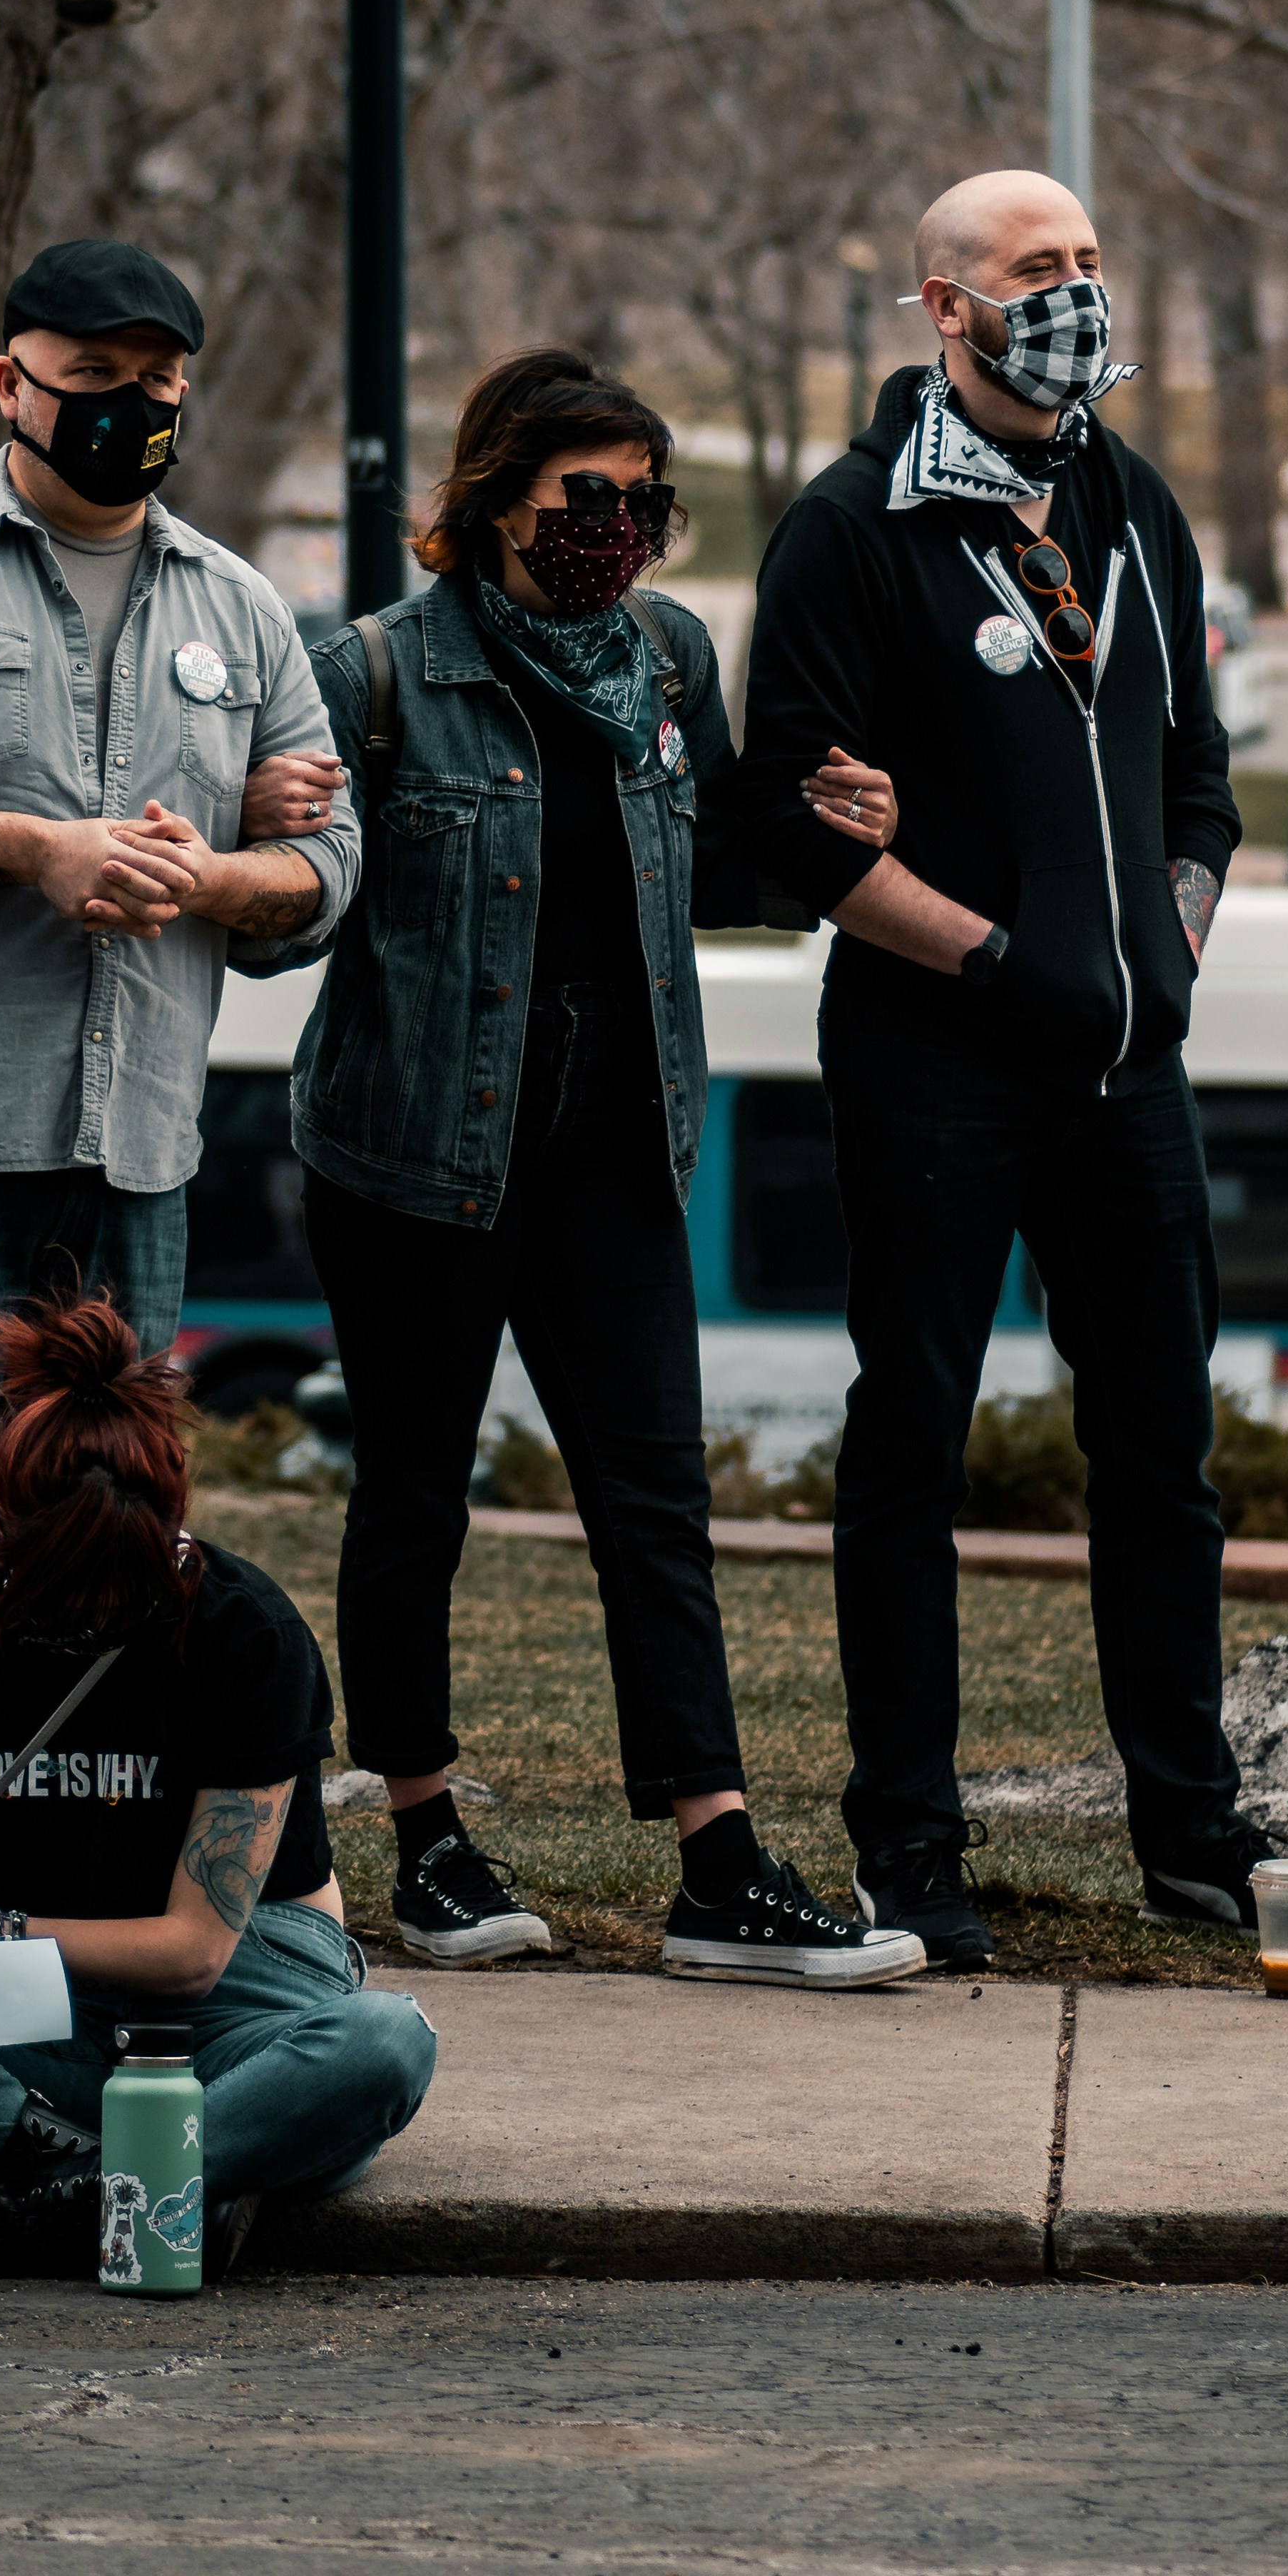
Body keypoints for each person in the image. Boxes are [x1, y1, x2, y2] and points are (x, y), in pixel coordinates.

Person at [234, 347, 924, 1989]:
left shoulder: (670, 660)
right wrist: (264, 830)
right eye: (585, 499)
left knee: (654, 1501)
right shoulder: (380, 673)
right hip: (413, 1151)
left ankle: (720, 1860)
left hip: (614, 1148)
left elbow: (718, 868)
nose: (618, 530)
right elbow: (285, 927)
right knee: (412, 1497)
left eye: (643, 501)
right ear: (492, 502)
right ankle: (429, 1839)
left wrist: (842, 828)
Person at [731, 168, 1288, 1975]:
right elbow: (805, 832)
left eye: (1086, 262)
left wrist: (1168, 944)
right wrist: (997, 961)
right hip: (933, 1068)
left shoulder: (1134, 503)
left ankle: (1191, 1830)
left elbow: (1199, 777)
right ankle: (911, 1848)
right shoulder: (849, 529)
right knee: (912, 1444)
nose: (1072, 292)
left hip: (1127, 1078)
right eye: (1032, 270)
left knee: (1164, 1453)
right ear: (943, 307)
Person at [0, 238, 360, 1648]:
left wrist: (211, 872)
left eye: (159, 382)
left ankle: (68, 1825)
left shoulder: (238, 602)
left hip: (134, 1163)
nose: (134, 408)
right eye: (95, 379)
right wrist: (32, 849)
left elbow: (331, 868)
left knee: (111, 1534)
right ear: (10, 383)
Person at [0, 1290, 435, 2268]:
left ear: (171, 1532)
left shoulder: (247, 1633)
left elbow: (191, 1951)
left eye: (114, 1586)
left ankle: (29, 2208)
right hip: (18, 2004)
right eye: (48, 1580)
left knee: (385, 2043)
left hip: (233, 2001)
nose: (84, 1614)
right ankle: (122, 2181)